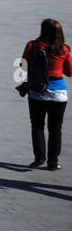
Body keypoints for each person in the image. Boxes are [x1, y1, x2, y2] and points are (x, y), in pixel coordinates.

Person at [22, 18, 70, 170]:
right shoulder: (64, 49)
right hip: (58, 94)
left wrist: (24, 82)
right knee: (55, 128)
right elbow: (69, 72)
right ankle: (53, 162)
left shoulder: (32, 45)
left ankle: (39, 158)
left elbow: (22, 66)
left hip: (37, 92)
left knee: (37, 125)